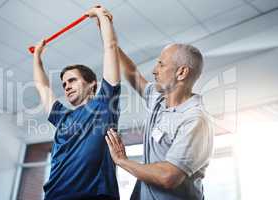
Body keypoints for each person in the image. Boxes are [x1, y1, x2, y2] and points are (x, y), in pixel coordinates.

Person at [32, 6, 121, 200]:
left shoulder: (104, 106)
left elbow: (110, 48)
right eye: (64, 83)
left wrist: (100, 16)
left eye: (72, 80)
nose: (66, 86)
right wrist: (37, 57)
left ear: (92, 84)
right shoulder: (61, 117)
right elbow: (42, 87)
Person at [105, 44, 214, 200]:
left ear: (181, 72)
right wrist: (111, 43)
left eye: (161, 64)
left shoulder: (195, 120)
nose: (154, 70)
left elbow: (168, 177)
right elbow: (132, 74)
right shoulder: (159, 99)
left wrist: (122, 161)